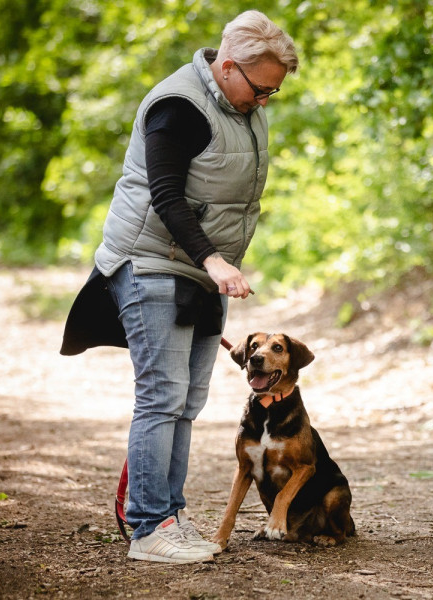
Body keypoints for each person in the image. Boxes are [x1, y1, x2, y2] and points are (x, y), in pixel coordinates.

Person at [60, 10, 298, 564]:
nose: (265, 101)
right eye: (261, 89)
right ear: (229, 66)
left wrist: (212, 269)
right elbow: (165, 196)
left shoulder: (239, 100)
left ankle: (171, 513)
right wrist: (214, 262)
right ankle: (147, 529)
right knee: (161, 397)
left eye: (275, 93)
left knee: (187, 401)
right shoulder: (178, 107)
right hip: (152, 264)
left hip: (196, 271)